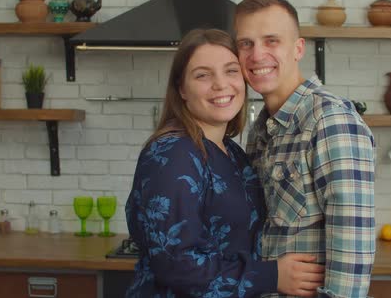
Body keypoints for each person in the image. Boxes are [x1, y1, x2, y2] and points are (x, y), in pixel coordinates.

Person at [125, 28, 325, 298]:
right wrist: (273, 275)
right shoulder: (174, 153)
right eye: (203, 75)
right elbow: (177, 265)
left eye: (231, 71)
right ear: (182, 89)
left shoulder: (232, 152)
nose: (220, 84)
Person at [234, 0, 376, 298]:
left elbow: (352, 249)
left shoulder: (329, 120)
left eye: (271, 41)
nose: (257, 55)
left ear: (298, 48)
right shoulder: (261, 130)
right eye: (246, 43)